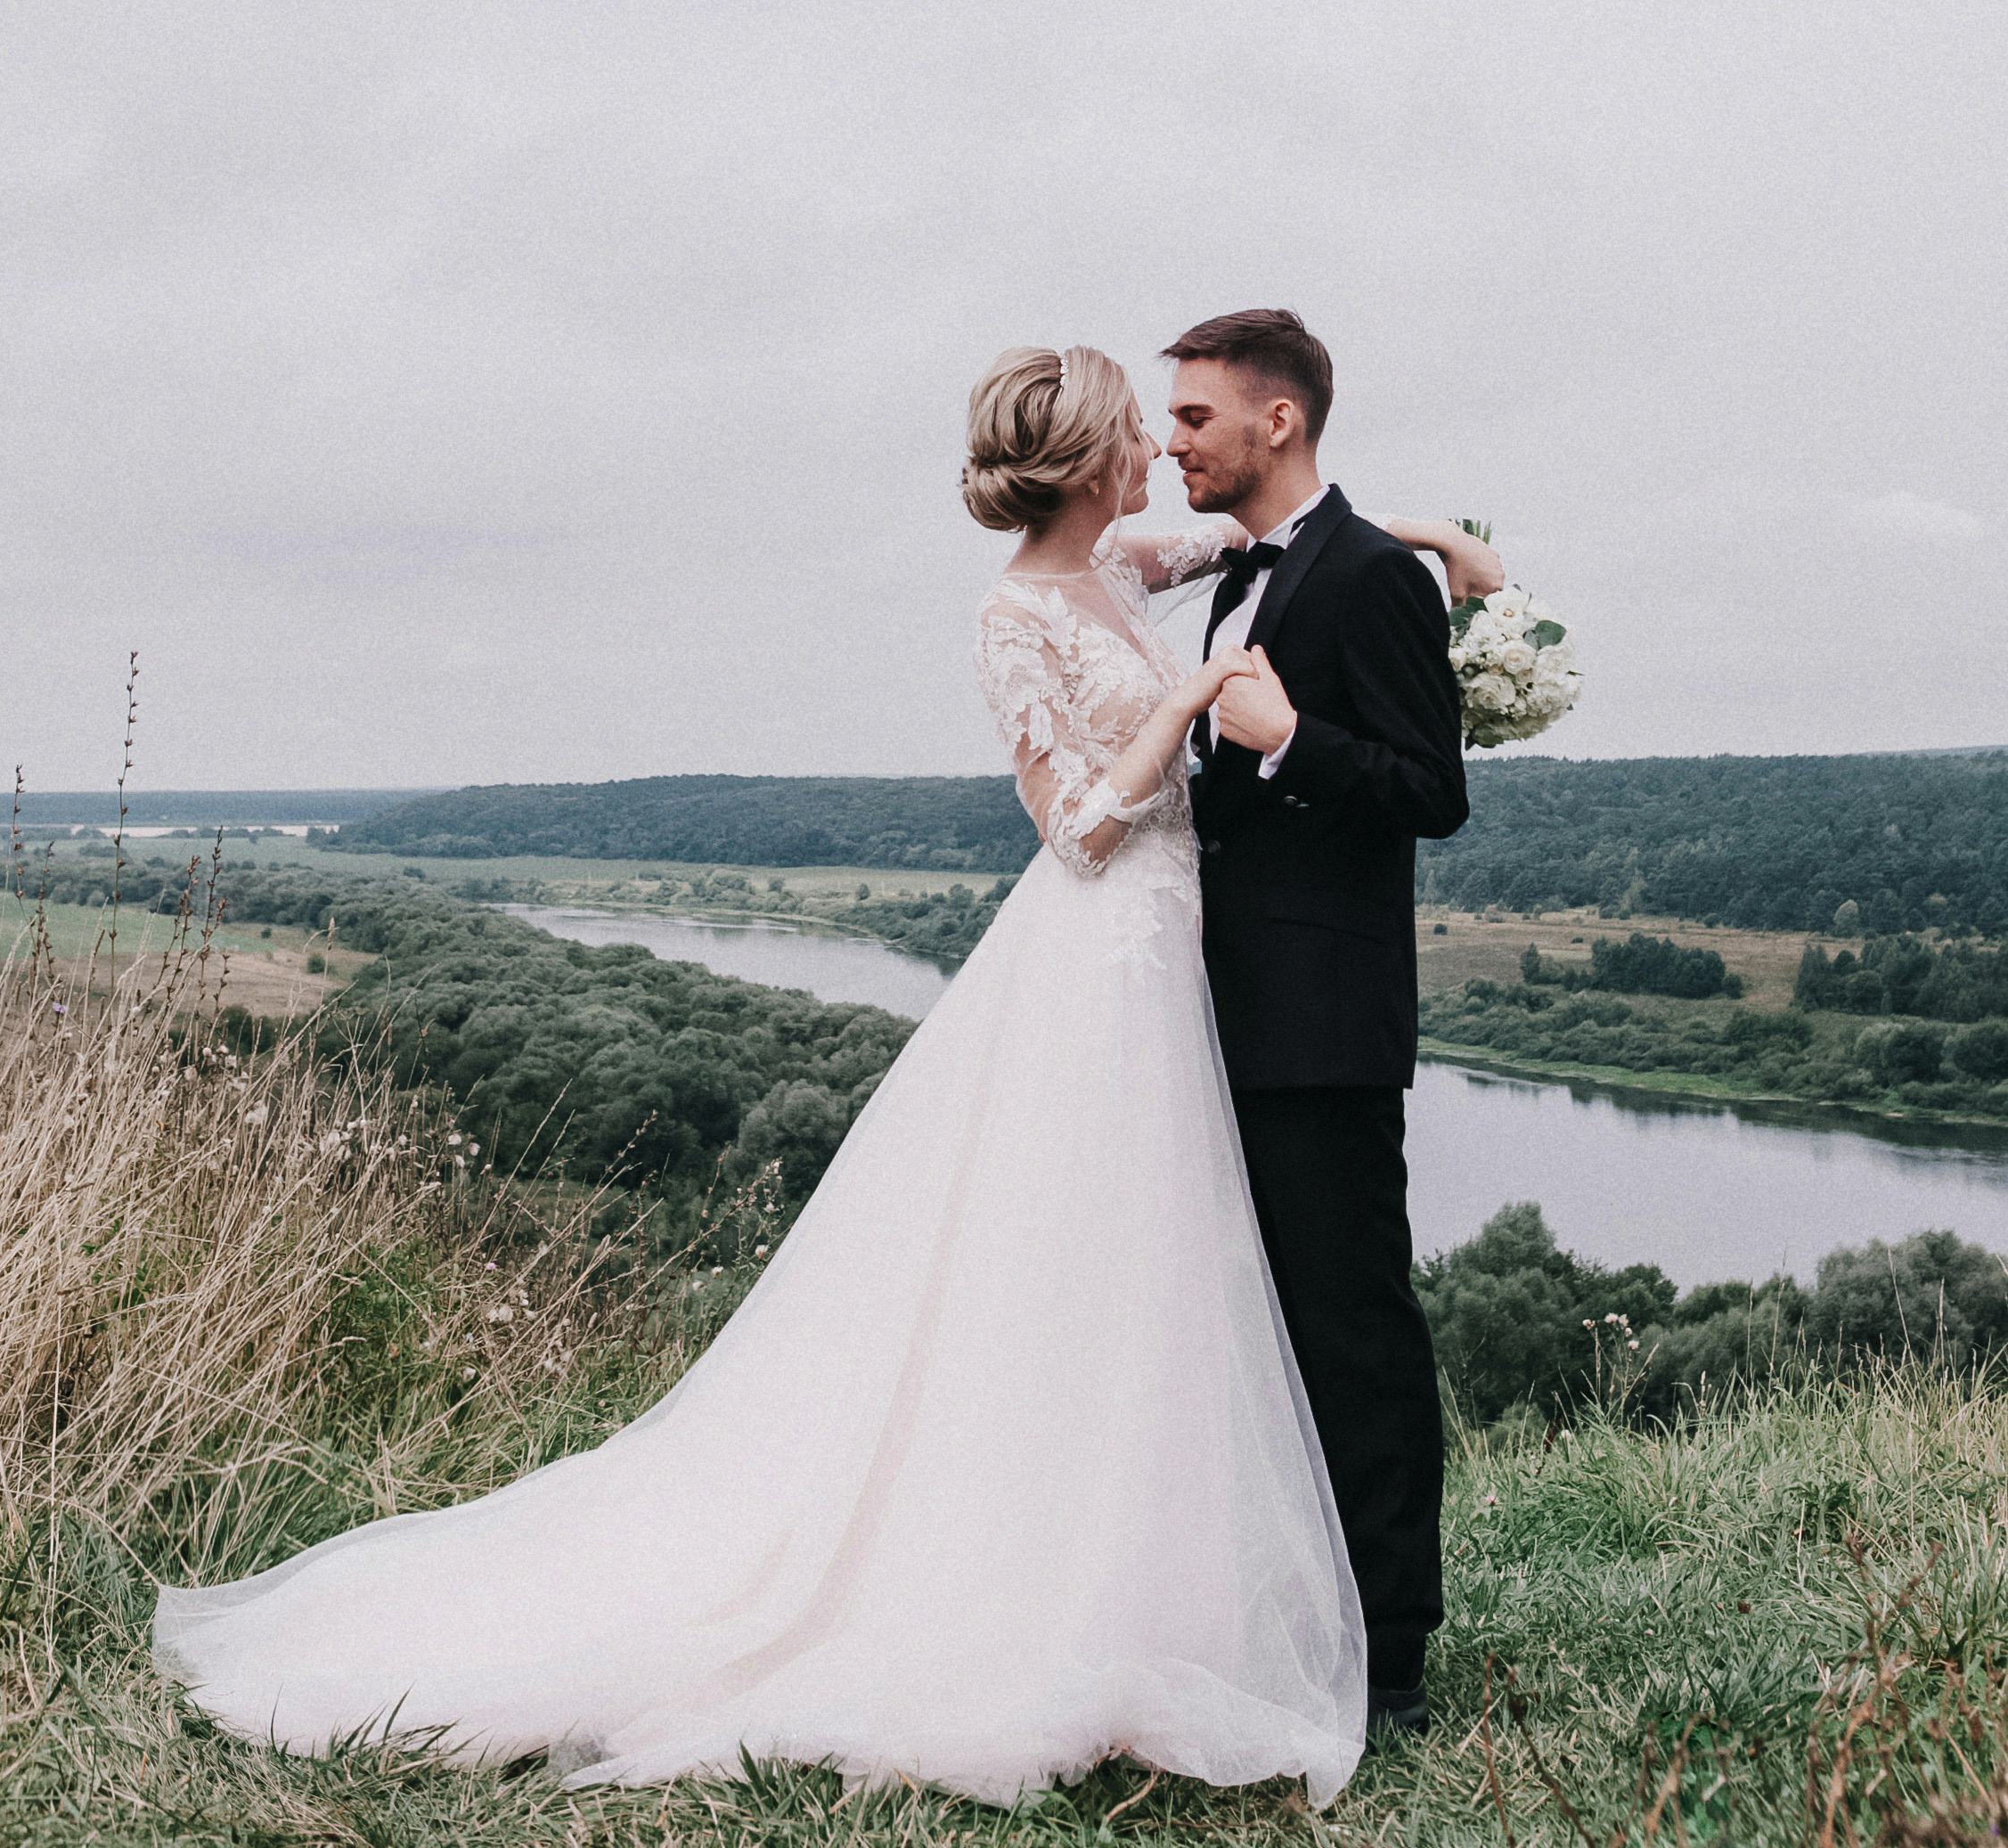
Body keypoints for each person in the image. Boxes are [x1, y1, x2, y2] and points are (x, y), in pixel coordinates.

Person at [152, 342, 1482, 1804]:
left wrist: (1438, 542)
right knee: (1067, 1276)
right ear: (1093, 458)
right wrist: (1180, 717)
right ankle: (1040, 1597)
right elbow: (1075, 832)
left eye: (1182, 423)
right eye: (1142, 429)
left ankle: (1190, 1591)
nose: (1162, 451)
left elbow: (1279, 532)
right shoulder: (1017, 613)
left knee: (1157, 1285)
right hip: (1103, 948)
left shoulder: (1130, 563)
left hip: (1190, 975)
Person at [1159, 307, 1473, 1746]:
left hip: (1323, 1026)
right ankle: (1283, 1614)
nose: (1173, 445)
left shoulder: (1363, 579)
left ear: (1275, 420)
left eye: (1195, 420)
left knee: (1348, 1326)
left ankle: (1392, 1651)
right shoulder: (1236, 575)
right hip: (1207, 1016)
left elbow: (1426, 789)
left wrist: (1291, 742)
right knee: (1245, 1329)